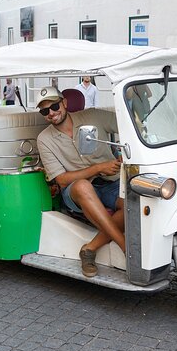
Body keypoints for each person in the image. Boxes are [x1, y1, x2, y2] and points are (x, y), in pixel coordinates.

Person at [36, 87, 124, 278]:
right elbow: (61, 179)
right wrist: (99, 168)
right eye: (45, 111)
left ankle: (90, 248)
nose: (51, 113)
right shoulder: (44, 139)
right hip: (75, 192)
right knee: (83, 185)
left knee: (135, 205)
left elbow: (128, 127)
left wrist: (126, 155)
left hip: (110, 183)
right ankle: (126, 247)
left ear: (64, 103)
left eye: (54, 106)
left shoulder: (93, 116)